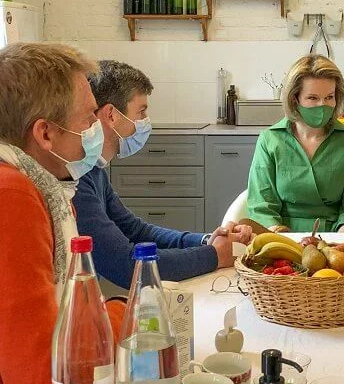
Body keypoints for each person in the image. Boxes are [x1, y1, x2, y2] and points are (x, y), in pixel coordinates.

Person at [0, 43, 125, 384]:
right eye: (89, 117)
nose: (97, 129)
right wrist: (129, 312)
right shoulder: (13, 195)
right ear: (46, 133)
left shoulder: (44, 186)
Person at [74, 60, 253, 288]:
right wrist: (213, 256)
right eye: (142, 111)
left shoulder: (94, 170)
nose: (145, 121)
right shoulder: (77, 178)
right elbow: (126, 265)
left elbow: (138, 232)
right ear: (111, 115)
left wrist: (208, 241)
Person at [246, 54, 344, 233]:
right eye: (313, 98)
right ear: (294, 99)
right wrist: (279, 238)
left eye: (329, 97)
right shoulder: (270, 140)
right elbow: (261, 204)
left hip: (335, 236)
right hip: (282, 236)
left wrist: (343, 239)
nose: (323, 105)